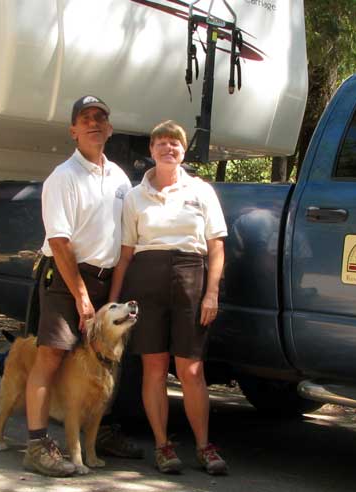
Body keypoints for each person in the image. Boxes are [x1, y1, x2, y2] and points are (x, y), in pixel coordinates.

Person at [24, 95, 143, 477]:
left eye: (101, 118)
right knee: (52, 356)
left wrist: (111, 299)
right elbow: (59, 244)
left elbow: (126, 240)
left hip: (106, 280)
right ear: (73, 130)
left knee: (106, 357)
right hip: (65, 276)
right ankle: (37, 445)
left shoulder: (122, 179)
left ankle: (100, 432)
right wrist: (81, 299)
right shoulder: (63, 177)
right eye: (85, 118)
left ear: (109, 129)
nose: (94, 123)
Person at [109, 120, 229, 475]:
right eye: (161, 142)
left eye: (174, 143)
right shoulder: (134, 196)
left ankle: (205, 447)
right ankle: (163, 446)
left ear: (183, 150)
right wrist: (112, 302)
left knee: (191, 369)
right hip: (146, 281)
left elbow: (216, 246)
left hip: (190, 280)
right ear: (151, 150)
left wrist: (211, 293)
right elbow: (126, 253)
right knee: (155, 367)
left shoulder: (202, 191)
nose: (168, 148)